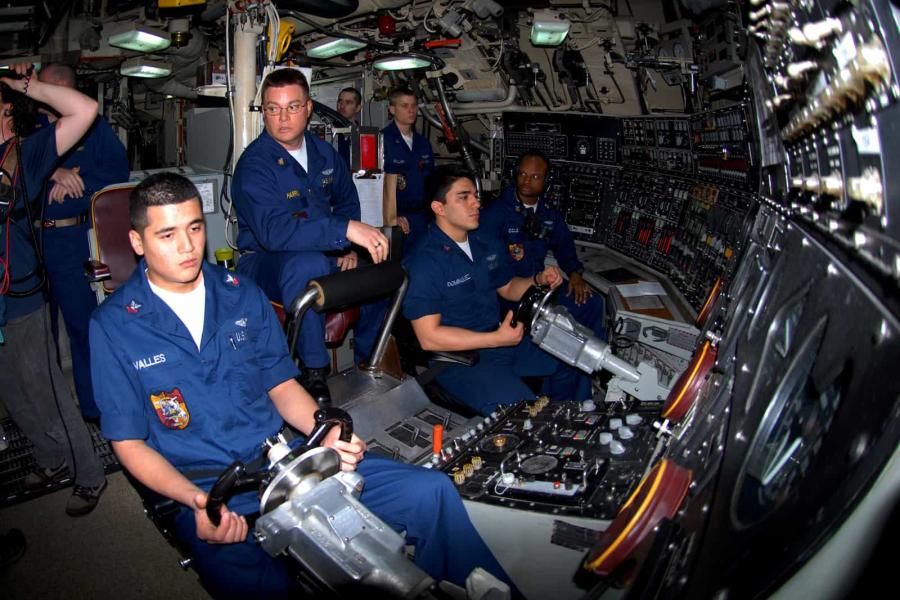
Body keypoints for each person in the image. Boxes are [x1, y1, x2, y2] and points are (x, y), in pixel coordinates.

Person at [89, 172, 511, 599]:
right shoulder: (114, 326)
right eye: (167, 234)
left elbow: (280, 384)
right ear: (138, 242)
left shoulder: (240, 293)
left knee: (430, 493)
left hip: (283, 461)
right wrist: (197, 502)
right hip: (206, 486)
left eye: (195, 228)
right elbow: (128, 442)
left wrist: (326, 431)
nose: (187, 247)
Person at [231, 69, 389, 405]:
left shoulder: (323, 153)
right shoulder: (254, 166)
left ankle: (369, 359)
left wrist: (347, 247)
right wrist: (343, 232)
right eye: (273, 109)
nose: (283, 117)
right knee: (306, 264)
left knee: (382, 267)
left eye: (292, 107)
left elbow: (347, 200)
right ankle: (314, 372)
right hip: (263, 262)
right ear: (264, 112)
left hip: (325, 250)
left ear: (308, 108)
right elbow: (275, 234)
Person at [0, 63, 107, 515]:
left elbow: (84, 109)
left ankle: (90, 473)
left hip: (20, 296)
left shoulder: (24, 154)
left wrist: (25, 85)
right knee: (13, 394)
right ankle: (49, 459)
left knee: (48, 390)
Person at [402, 165, 571, 416]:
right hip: (459, 360)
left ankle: (570, 421)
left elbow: (508, 287)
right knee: (524, 414)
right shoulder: (423, 261)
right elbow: (430, 337)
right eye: (464, 197)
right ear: (439, 208)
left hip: (500, 341)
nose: (476, 204)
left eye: (475, 195)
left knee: (571, 358)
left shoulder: (484, 241)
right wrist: (496, 339)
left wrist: (537, 279)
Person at [35, 63, 129, 421]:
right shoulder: (26, 128)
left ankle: (92, 409)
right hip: (31, 240)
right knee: (36, 335)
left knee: (84, 326)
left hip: (73, 239)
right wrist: (51, 174)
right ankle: (50, 412)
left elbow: (116, 172)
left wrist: (79, 181)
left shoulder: (93, 127)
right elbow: (13, 173)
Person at [479, 151, 607, 401]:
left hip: (543, 286)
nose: (527, 181)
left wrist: (576, 274)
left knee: (593, 304)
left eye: (535, 176)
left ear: (545, 181)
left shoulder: (548, 214)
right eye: (523, 174)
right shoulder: (495, 215)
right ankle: (562, 388)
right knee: (557, 326)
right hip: (509, 293)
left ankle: (585, 382)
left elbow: (565, 248)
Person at [382, 86, 434, 251]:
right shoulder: (382, 141)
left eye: (413, 105)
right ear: (392, 109)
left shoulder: (423, 143)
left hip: (421, 216)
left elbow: (430, 180)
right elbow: (376, 186)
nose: (411, 110)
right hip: (396, 217)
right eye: (405, 106)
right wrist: (391, 216)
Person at [335, 86, 361, 167]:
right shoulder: (329, 130)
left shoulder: (361, 133)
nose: (342, 105)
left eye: (348, 102)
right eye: (340, 101)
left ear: (358, 108)